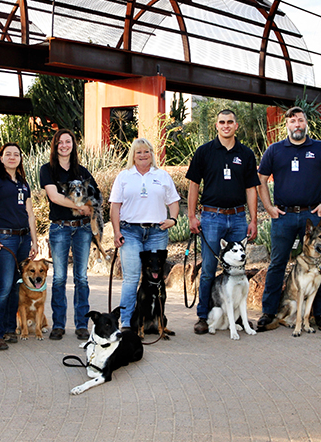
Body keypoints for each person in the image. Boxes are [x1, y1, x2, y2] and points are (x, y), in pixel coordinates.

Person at [257, 106, 321, 332]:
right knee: (278, 263)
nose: (297, 125)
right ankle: (269, 311)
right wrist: (268, 207)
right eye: (293, 121)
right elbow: (261, 179)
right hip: (283, 216)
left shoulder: (320, 148)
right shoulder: (275, 150)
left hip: (311, 216)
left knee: (320, 264)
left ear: (306, 124)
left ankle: (320, 315)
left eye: (301, 120)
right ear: (286, 125)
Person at [186, 109, 259, 335]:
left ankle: (236, 318)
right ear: (216, 125)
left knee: (237, 269)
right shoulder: (204, 152)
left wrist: (253, 219)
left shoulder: (246, 154)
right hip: (211, 218)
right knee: (208, 269)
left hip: (238, 217)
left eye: (230, 122)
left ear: (236, 125)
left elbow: (251, 188)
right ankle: (203, 316)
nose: (226, 125)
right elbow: (193, 185)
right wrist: (191, 216)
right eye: (221, 122)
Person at [109, 138, 181, 330]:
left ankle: (155, 322)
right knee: (132, 278)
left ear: (152, 154)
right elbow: (115, 207)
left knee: (155, 280)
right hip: (130, 232)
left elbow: (173, 202)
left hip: (157, 232)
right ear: (133, 155)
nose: (143, 155)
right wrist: (116, 232)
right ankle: (126, 322)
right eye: (138, 152)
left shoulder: (162, 176)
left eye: (146, 151)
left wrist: (172, 219)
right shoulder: (124, 176)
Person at [39, 129, 100, 341]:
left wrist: (89, 209)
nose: (64, 145)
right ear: (55, 146)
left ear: (73, 145)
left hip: (83, 229)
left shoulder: (82, 172)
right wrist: (80, 205)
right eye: (60, 142)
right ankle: (58, 325)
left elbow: (96, 194)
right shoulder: (47, 170)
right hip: (60, 228)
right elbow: (54, 197)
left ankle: (82, 325)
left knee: (81, 278)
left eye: (68, 141)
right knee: (59, 278)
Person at [0, 143, 39, 351]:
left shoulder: (22, 183)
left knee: (16, 285)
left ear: (20, 158)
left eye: (16, 154)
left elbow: (30, 214)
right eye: (8, 154)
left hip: (23, 240)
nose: (12, 157)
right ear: (1, 158)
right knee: (3, 286)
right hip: (3, 239)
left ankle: (9, 328)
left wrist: (35, 241)